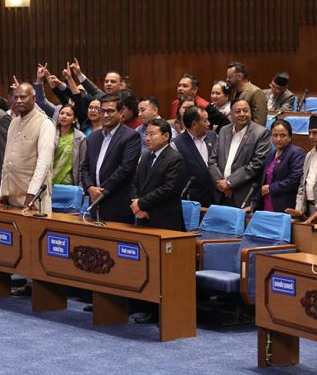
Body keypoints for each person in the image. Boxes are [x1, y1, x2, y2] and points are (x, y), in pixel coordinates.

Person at [130, 118, 186, 324]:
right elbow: (135, 183)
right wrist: (136, 204)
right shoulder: (145, 156)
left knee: (161, 268)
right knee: (146, 265)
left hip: (165, 221)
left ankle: (159, 310)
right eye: (146, 134)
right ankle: (144, 305)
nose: (147, 138)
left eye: (152, 134)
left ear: (166, 136)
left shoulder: (175, 159)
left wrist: (141, 203)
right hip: (144, 218)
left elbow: (168, 189)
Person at [80, 95, 141, 223]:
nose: (106, 115)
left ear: (121, 112)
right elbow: (85, 167)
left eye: (110, 111)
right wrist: (90, 188)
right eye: (102, 111)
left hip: (117, 204)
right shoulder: (93, 137)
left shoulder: (131, 136)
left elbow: (126, 168)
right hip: (95, 202)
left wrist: (103, 190)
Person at [0, 82, 55, 209]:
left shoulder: (45, 123)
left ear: (33, 99)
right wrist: (3, 191)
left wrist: (32, 193)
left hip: (34, 198)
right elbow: (7, 160)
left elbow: (44, 163)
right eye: (16, 97)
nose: (18, 101)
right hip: (11, 195)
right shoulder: (13, 123)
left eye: (23, 97)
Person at [208, 99, 271, 208]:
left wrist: (229, 183)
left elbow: (255, 164)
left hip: (243, 194)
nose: (242, 114)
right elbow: (212, 160)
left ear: (250, 112)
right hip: (220, 193)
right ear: (231, 114)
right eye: (237, 111)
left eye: (245, 110)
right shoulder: (224, 130)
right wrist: (220, 183)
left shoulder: (261, 133)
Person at [174, 107, 217, 208]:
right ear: (194, 124)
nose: (209, 123)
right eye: (205, 120)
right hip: (193, 198)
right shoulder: (177, 144)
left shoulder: (213, 136)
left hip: (215, 195)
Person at [259, 119, 305, 212]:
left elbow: (294, 180)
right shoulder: (270, 155)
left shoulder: (296, 153)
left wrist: (270, 188)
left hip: (285, 206)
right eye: (275, 135)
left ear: (290, 137)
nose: (278, 139)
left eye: (282, 135)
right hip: (267, 204)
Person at [52, 104, 87, 186]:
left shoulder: (80, 137)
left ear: (74, 119)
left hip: (68, 184)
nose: (64, 116)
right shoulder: (50, 133)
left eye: (68, 115)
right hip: (48, 181)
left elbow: (82, 164)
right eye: (62, 113)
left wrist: (80, 186)